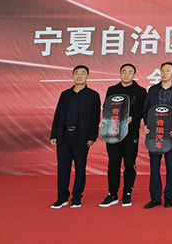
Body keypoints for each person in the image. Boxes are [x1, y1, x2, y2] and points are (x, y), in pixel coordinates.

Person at [50, 65, 101, 209]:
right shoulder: (65, 94)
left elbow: (95, 117)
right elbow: (58, 115)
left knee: (80, 168)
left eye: (82, 73)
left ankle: (77, 197)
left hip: (81, 137)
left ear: (87, 76)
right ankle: (62, 198)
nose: (79, 76)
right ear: (72, 76)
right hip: (64, 136)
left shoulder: (93, 95)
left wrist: (92, 137)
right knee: (63, 168)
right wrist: (54, 134)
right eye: (76, 73)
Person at [99, 63, 147, 208]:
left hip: (131, 133)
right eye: (124, 72)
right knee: (113, 163)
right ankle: (112, 194)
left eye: (129, 72)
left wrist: (133, 117)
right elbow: (107, 108)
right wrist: (104, 122)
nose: (126, 74)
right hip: (113, 132)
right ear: (120, 73)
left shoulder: (140, 91)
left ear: (134, 75)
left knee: (129, 163)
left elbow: (144, 111)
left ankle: (127, 192)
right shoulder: (112, 90)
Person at [142, 62, 172, 209]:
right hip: (155, 134)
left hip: (171, 134)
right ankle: (155, 197)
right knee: (154, 167)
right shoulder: (153, 90)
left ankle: (168, 196)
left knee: (170, 166)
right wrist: (147, 125)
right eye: (162, 70)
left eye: (168, 70)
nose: (164, 73)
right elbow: (146, 110)